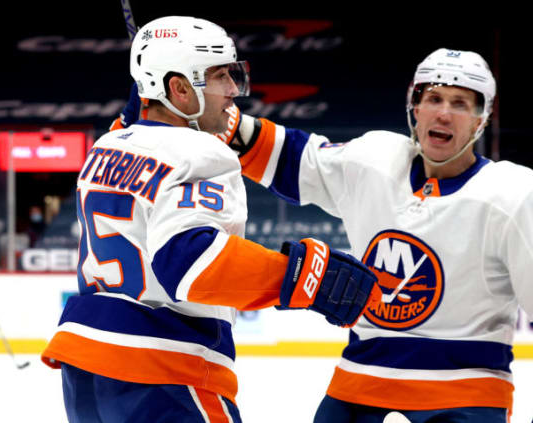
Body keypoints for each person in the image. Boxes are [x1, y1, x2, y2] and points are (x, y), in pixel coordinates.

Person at [203, 48, 533, 422]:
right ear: (413, 106)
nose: (443, 114)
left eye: (460, 103)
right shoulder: (375, 159)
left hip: (466, 388)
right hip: (363, 374)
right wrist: (206, 113)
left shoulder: (516, 195)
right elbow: (288, 155)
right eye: (433, 98)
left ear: (481, 119)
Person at [41, 16, 379, 423]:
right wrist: (304, 278)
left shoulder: (106, 145)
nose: (233, 90)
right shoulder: (202, 153)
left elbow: (138, 130)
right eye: (219, 77)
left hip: (85, 372)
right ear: (179, 89)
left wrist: (148, 97)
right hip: (164, 373)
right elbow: (192, 263)